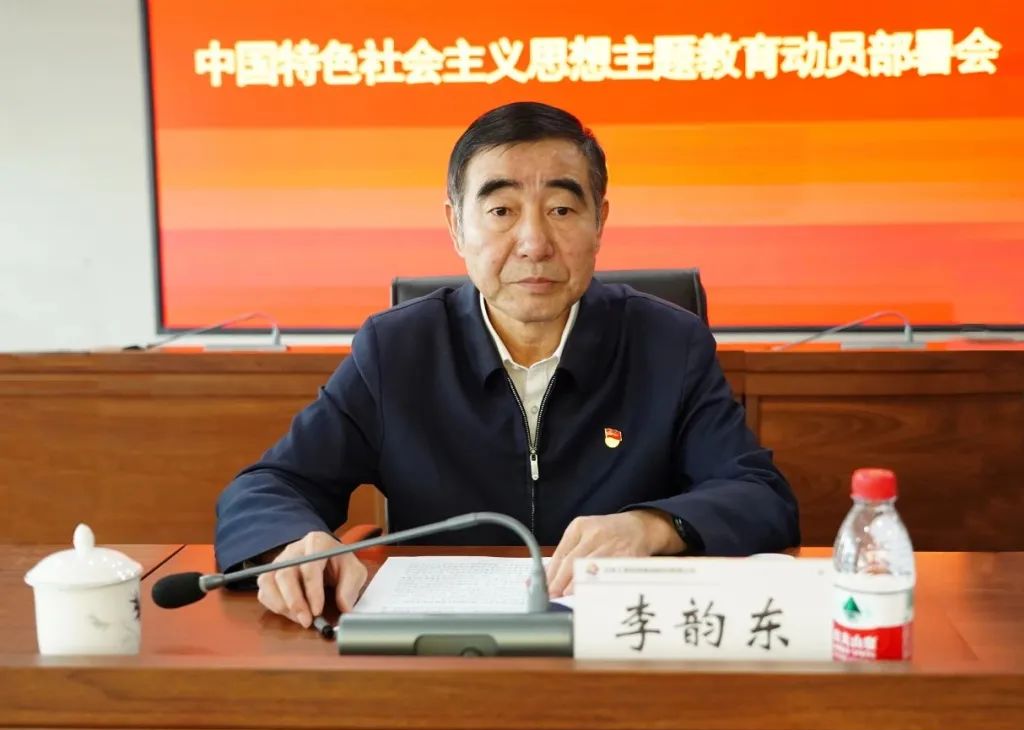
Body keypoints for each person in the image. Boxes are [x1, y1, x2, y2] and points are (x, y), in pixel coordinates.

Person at [215, 101, 799, 629]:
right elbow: (271, 485)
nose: (534, 242)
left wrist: (652, 526)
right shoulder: (398, 350)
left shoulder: (668, 344)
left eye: (562, 209)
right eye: (501, 210)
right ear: (456, 226)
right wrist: (292, 545)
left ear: (599, 222)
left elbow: (759, 495)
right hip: (445, 649)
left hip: (617, 643)